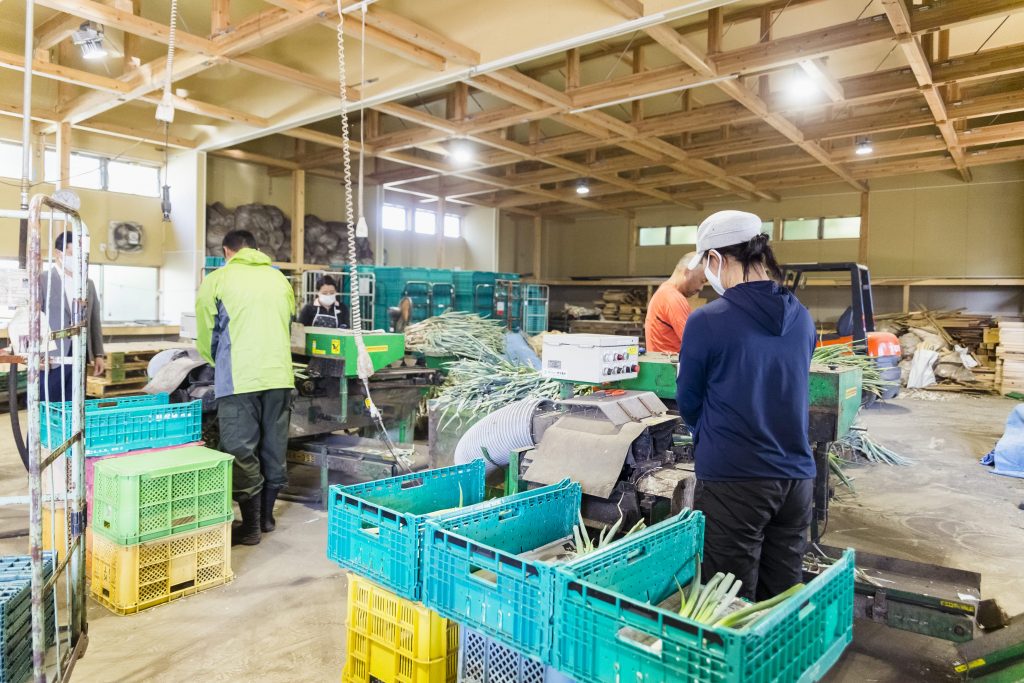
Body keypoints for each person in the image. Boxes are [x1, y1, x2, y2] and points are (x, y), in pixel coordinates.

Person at [675, 210, 816, 602]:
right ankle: (777, 663)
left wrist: (711, 434)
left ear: (717, 259)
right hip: (796, 479)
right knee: (782, 596)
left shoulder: (707, 321)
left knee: (728, 601)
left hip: (735, 479)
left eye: (707, 263)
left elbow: (688, 400)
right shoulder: (803, 318)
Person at [196, 229, 296, 546]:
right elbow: (288, 323)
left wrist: (215, 361)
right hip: (280, 375)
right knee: (274, 446)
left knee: (240, 449)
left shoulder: (218, 279)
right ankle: (267, 518)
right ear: (256, 249)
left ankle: (250, 527)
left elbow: (206, 331)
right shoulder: (280, 279)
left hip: (240, 378)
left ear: (227, 252)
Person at [39, 232, 106, 401]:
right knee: (49, 402)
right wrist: (37, 353)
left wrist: (98, 354)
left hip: (80, 353)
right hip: (51, 355)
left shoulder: (87, 283)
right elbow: (34, 319)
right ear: (58, 253)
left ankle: (72, 429)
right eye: (71, 254)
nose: (76, 259)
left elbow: (94, 321)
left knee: (75, 402)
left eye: (79, 255)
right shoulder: (42, 280)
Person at [644, 252, 706, 354]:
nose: (701, 288)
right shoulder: (673, 297)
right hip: (670, 368)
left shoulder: (663, 292)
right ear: (687, 272)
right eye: (702, 281)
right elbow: (695, 344)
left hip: (662, 366)